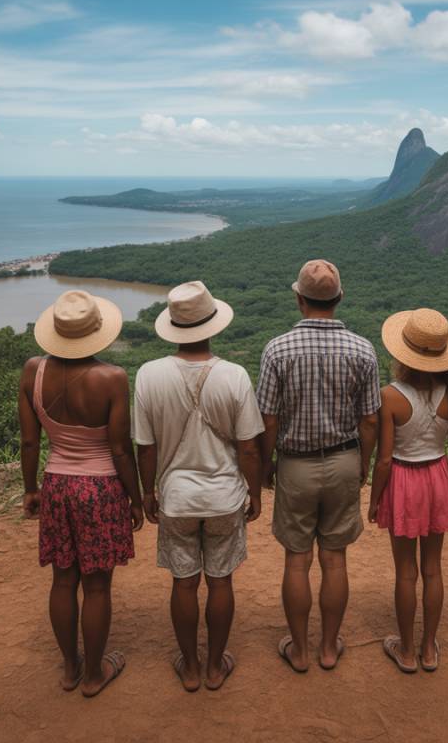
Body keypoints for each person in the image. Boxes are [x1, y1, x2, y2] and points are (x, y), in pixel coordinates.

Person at [133, 281, 263, 692]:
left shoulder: (149, 375)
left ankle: (189, 667)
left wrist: (148, 492)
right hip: (224, 495)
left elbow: (146, 447)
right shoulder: (234, 375)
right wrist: (255, 492)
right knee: (221, 580)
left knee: (184, 582)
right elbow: (249, 449)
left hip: (176, 497)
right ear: (213, 326)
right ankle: (214, 667)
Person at [20, 290, 144, 698]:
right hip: (101, 487)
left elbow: (30, 443)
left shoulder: (33, 371)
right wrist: (136, 498)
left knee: (61, 581)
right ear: (96, 333)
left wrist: (31, 489)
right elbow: (120, 448)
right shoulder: (112, 378)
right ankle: (95, 673)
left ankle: (70, 668)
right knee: (96, 586)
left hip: (56, 484)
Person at [258, 259, 380, 673]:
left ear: (299, 299)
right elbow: (369, 419)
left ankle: (300, 651)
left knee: (297, 559)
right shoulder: (363, 349)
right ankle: (329, 647)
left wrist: (266, 465)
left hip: (295, 464)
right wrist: (362, 462)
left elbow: (268, 419)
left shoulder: (276, 349)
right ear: (339, 298)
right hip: (345, 458)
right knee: (335, 559)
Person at [369, 308, 448, 673]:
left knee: (405, 571)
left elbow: (383, 460)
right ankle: (429, 648)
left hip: (403, 480)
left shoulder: (390, 396)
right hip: (437, 478)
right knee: (433, 568)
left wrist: (374, 497)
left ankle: (407, 650)